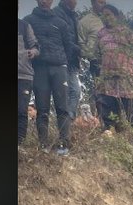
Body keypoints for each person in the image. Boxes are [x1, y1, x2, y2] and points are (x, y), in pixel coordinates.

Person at [24, 0, 76, 155]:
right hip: (39, 68)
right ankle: (43, 146)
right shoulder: (28, 21)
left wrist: (63, 62)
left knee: (62, 108)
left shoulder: (60, 23)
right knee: (42, 108)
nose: (44, 1)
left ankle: (64, 144)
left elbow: (68, 46)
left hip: (59, 68)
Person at [93, 4, 133, 131]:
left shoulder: (126, 32)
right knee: (109, 105)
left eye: (109, 14)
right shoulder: (101, 34)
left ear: (116, 16)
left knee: (130, 104)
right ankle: (111, 131)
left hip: (126, 76)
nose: (106, 18)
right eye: (103, 16)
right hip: (108, 78)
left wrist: (125, 65)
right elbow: (97, 54)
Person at [52, 0, 83, 120]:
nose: (76, 2)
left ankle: (68, 121)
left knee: (73, 92)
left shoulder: (74, 15)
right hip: (62, 59)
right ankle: (67, 121)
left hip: (73, 59)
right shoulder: (57, 13)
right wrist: (79, 49)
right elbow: (64, 38)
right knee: (73, 91)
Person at [78, 0, 106, 115]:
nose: (103, 4)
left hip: (114, 62)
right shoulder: (85, 21)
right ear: (93, 3)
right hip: (96, 62)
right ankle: (101, 122)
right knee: (99, 93)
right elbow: (81, 43)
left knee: (115, 94)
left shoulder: (112, 19)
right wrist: (90, 56)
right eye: (100, 2)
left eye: (104, 2)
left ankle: (117, 124)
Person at [18, 10, 40, 146]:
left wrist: (33, 52)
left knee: (21, 110)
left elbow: (36, 46)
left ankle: (19, 144)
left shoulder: (24, 25)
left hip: (24, 74)